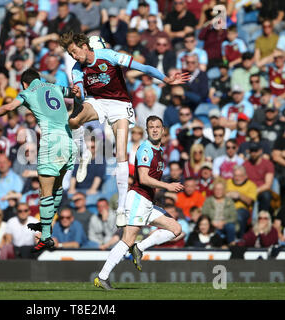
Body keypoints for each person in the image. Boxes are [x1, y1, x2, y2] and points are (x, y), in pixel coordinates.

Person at [59, 32, 189, 228]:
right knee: (73, 120)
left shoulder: (109, 56)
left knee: (121, 155)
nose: (74, 57)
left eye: (75, 52)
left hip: (120, 104)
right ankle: (84, 154)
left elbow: (143, 67)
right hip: (97, 102)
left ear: (84, 45)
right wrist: (77, 94)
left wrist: (166, 80)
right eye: (70, 55)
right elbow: (81, 95)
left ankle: (121, 209)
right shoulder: (77, 69)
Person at [0, 68, 78, 253]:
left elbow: (8, 108)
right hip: (69, 141)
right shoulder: (54, 87)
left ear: (24, 83)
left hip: (51, 141)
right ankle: (47, 226)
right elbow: (74, 92)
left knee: (44, 191)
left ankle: (45, 235)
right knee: (58, 187)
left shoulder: (27, 92)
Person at [94, 116, 185, 290]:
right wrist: (168, 186)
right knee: (127, 239)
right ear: (147, 130)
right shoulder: (145, 149)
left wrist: (154, 197)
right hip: (137, 199)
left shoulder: (159, 150)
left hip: (147, 202)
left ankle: (139, 248)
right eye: (152, 127)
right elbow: (143, 178)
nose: (155, 130)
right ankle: (102, 277)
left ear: (163, 130)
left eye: (158, 127)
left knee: (176, 229)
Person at [201, 178, 238, 244]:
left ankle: (231, 244)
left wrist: (223, 222)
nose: (218, 191)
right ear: (213, 190)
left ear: (224, 190)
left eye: (220, 189)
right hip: (212, 224)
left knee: (231, 227)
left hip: (225, 224)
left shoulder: (229, 201)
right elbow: (204, 214)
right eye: (216, 189)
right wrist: (212, 222)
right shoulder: (208, 201)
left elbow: (233, 217)